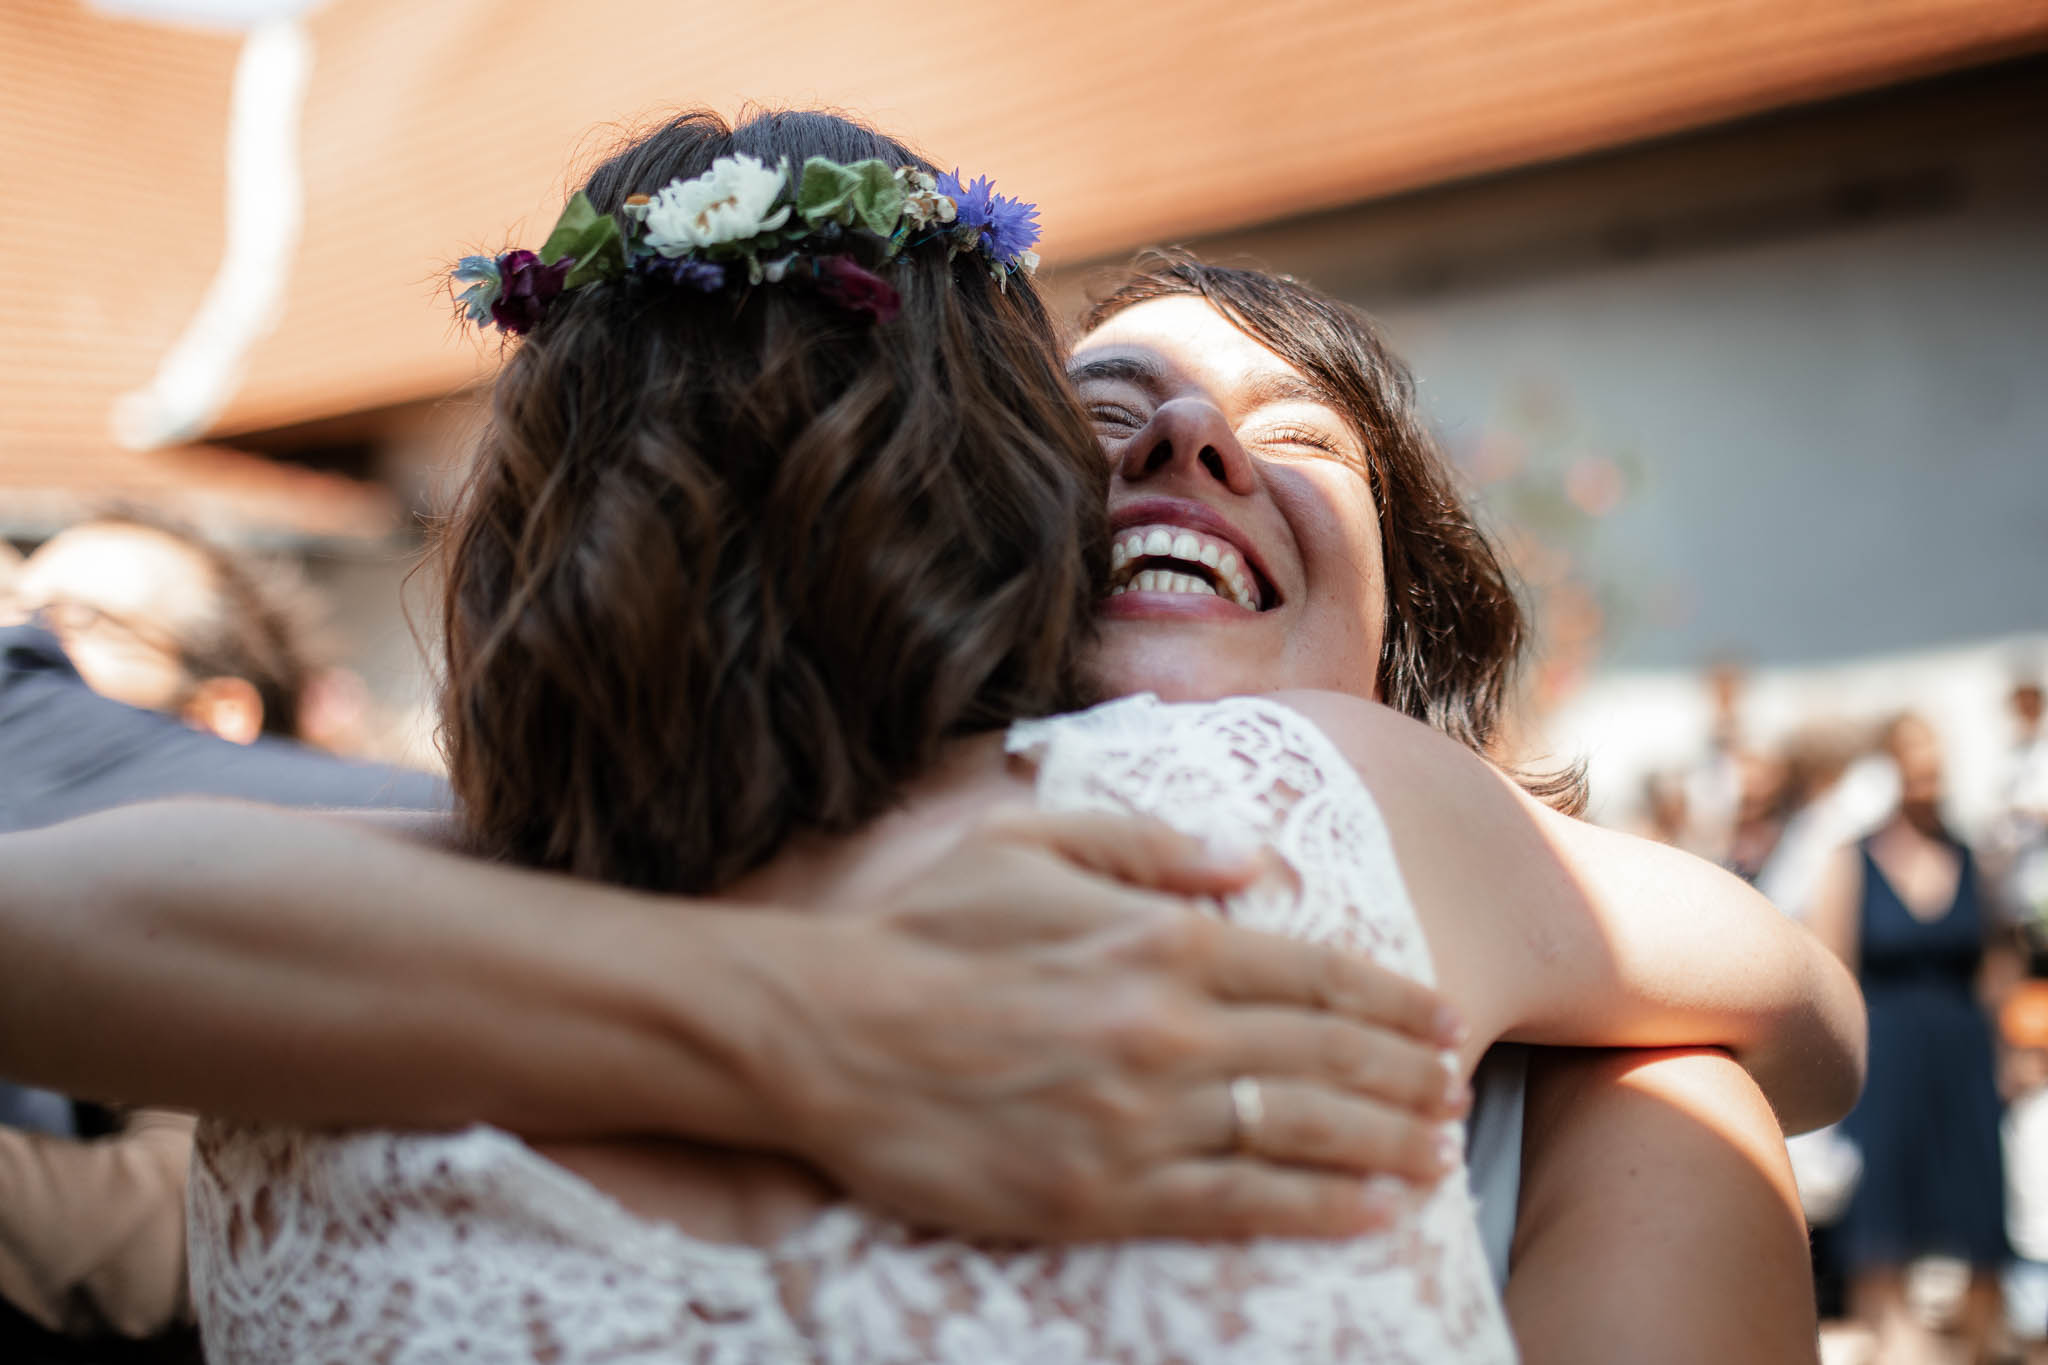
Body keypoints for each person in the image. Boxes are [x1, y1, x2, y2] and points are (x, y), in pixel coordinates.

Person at [0, 135, 1845, 1361]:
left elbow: (1798, 1007)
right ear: (985, 516)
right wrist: (810, 1018)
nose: (1187, 447)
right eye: (1103, 411)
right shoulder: (370, 956)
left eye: (1292, 441)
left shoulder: (1639, 1092)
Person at [0, 514, 441, 1358]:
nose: (23, 647)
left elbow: (165, 1235)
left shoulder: (277, 922)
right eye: (17, 610)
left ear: (217, 714)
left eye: (70, 622)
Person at [1811, 713, 2010, 1364]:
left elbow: (1995, 960)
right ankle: (1894, 1348)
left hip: (1963, 1047)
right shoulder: (1854, 858)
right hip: (1887, 1048)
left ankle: (1979, 1344)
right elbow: (1831, 963)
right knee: (1885, 1212)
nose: (1927, 774)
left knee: (1976, 1200)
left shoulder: (1970, 854)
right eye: (1914, 758)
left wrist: (2009, 1054)